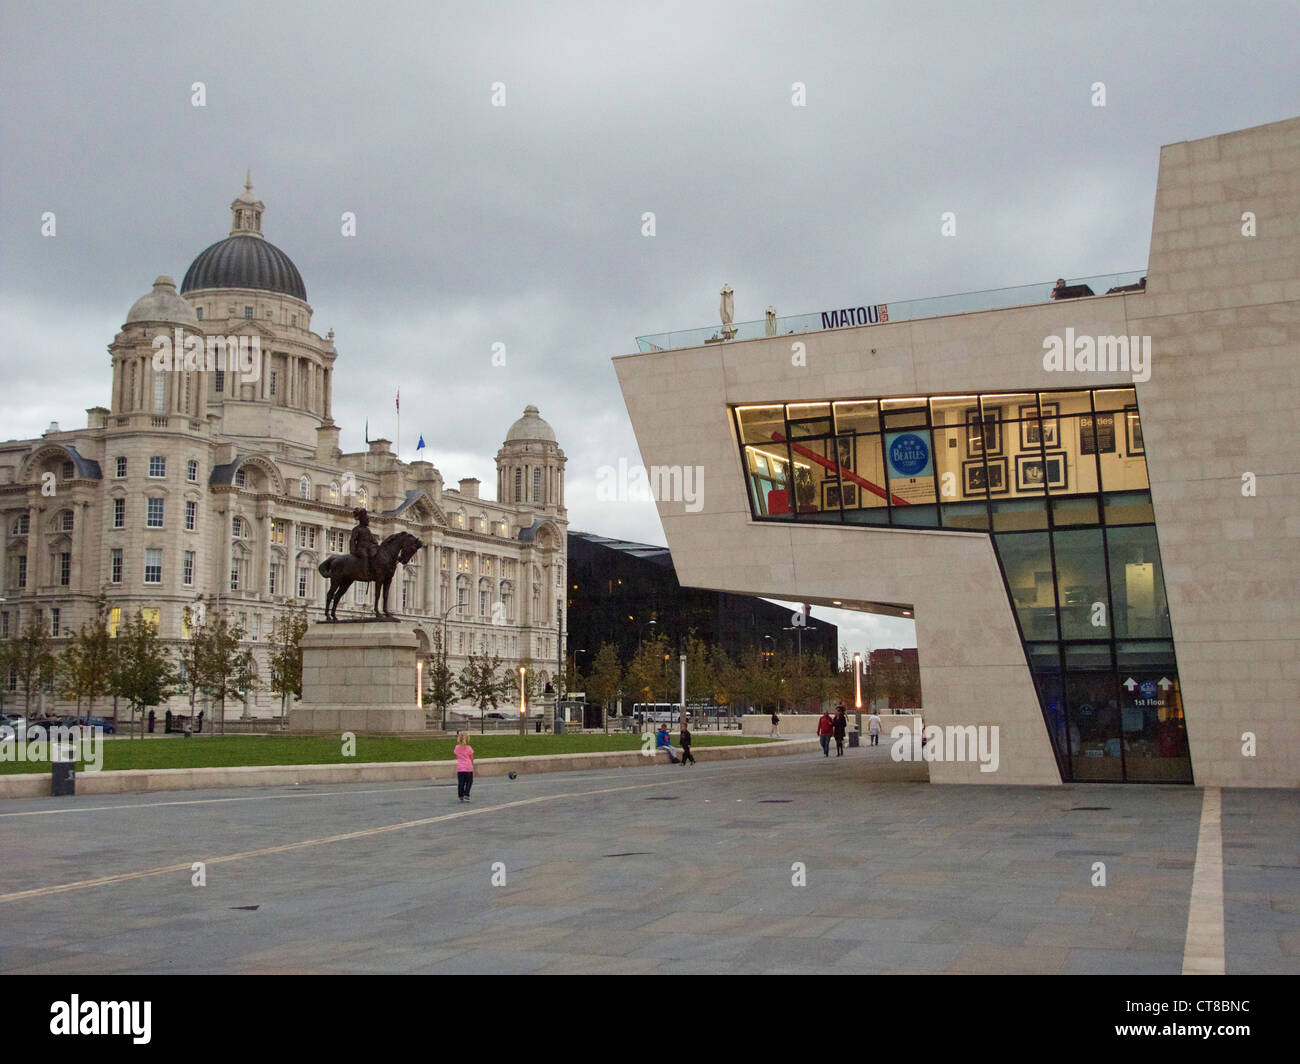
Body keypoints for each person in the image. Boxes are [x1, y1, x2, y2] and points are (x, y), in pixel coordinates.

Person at [349, 506, 380, 580]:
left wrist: (376, 544)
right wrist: (352, 551)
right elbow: (352, 540)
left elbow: (373, 539)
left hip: (368, 548)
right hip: (360, 549)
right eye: (366, 519)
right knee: (365, 556)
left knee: (377, 555)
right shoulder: (357, 529)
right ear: (362, 520)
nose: (368, 521)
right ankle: (364, 572)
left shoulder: (367, 530)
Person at [454, 731, 475, 801]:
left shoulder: (457, 747)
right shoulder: (469, 748)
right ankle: (466, 794)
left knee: (461, 782)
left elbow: (457, 755)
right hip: (468, 767)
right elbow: (471, 758)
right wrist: (472, 765)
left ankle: (460, 795)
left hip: (460, 768)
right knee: (469, 781)